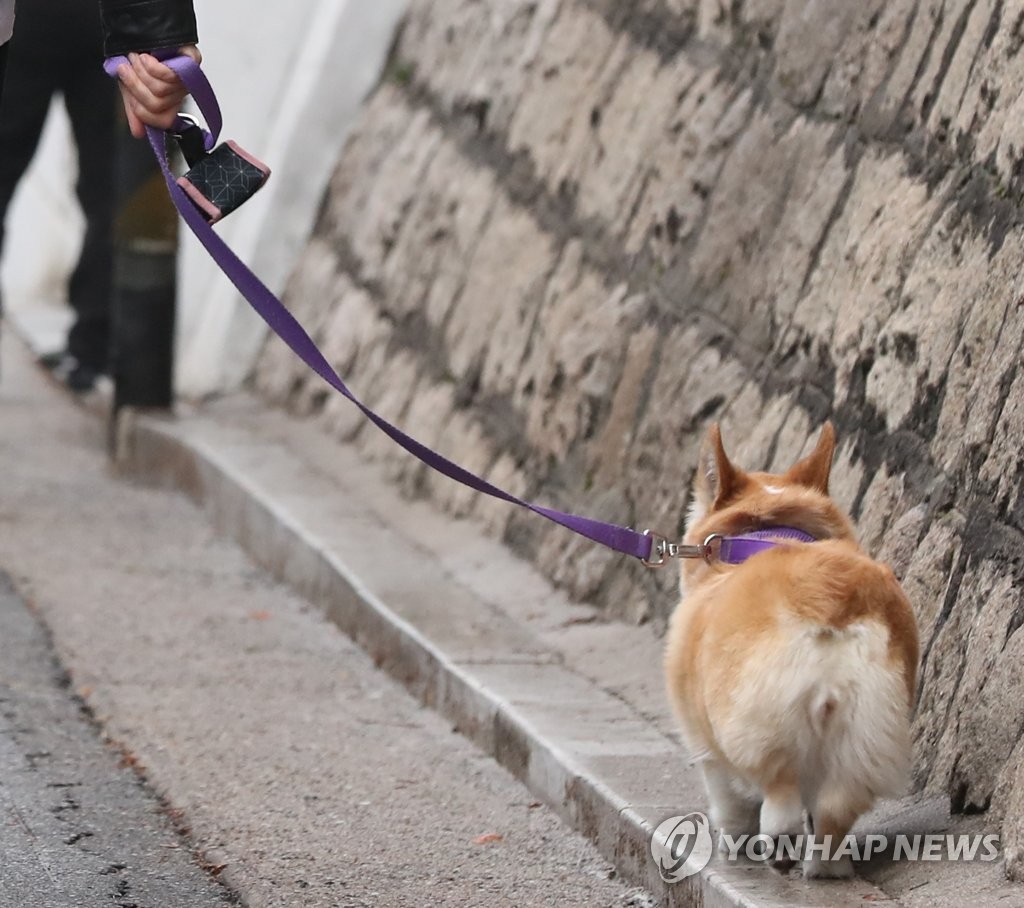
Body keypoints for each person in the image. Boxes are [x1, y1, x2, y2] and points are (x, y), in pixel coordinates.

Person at [0, 0, 198, 390]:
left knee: (110, 182)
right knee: (109, 184)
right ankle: (93, 350)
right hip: (100, 19)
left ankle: (97, 348)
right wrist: (160, 32)